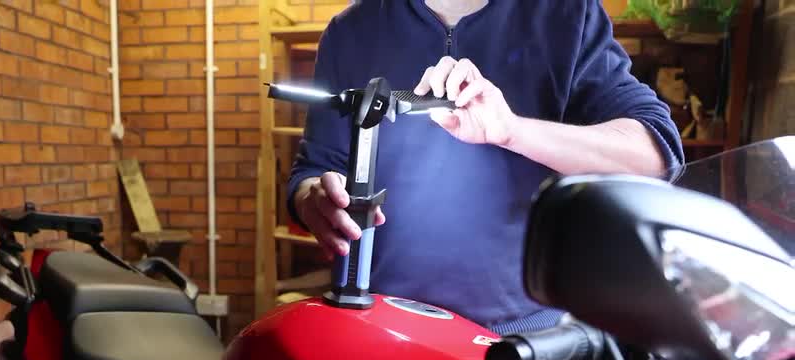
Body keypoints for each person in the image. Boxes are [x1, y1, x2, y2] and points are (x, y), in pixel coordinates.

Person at [287, 0, 684, 334]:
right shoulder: (351, 30)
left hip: (520, 340)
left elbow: (653, 154)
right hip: (381, 330)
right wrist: (315, 201)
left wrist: (512, 131)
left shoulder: (566, 14)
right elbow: (313, 170)